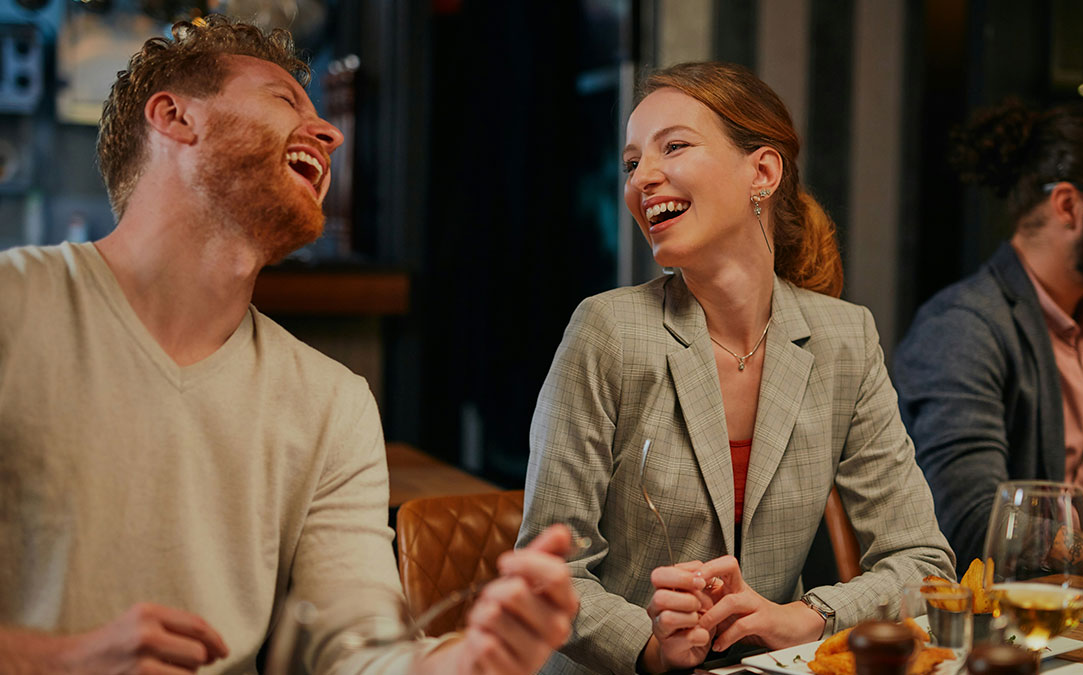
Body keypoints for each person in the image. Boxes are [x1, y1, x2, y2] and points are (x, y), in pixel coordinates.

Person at [0, 17, 577, 675]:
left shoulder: (332, 401)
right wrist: (62, 660)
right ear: (175, 117)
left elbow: (355, 652)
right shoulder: (14, 307)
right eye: (283, 100)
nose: (330, 131)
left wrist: (467, 661)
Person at [516, 61, 955, 675]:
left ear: (763, 172)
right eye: (632, 161)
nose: (643, 177)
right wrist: (649, 647)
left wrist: (807, 617)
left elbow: (924, 564)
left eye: (674, 147)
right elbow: (548, 570)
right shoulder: (609, 331)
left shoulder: (844, 339)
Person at [892, 99, 1083, 587]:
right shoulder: (962, 328)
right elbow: (974, 527)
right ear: (1069, 206)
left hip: (1077, 602)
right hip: (1000, 620)